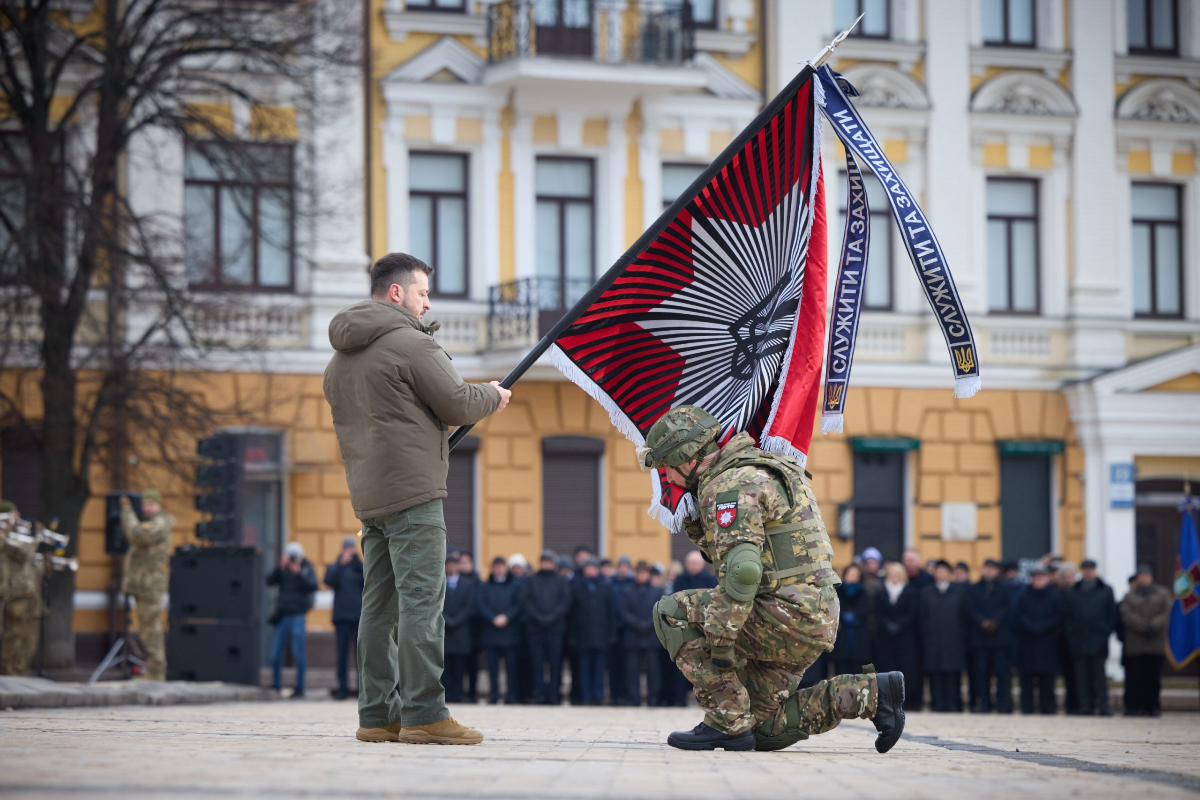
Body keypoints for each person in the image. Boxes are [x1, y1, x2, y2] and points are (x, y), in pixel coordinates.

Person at [323, 252, 510, 745]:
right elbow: (457, 403)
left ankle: (376, 716)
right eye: (423, 293)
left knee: (377, 608)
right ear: (396, 293)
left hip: (370, 496)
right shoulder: (410, 344)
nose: (427, 304)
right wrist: (493, 394)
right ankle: (426, 713)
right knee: (422, 604)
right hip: (415, 494)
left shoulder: (339, 358)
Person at [642, 406, 904, 753]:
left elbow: (744, 570)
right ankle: (870, 693)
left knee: (670, 611)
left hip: (785, 615)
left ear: (686, 459)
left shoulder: (728, 485)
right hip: (813, 614)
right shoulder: (763, 469)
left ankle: (725, 722)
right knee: (762, 729)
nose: (665, 476)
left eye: (665, 467)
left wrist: (721, 640)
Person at [118, 491, 173, 681]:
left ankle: (156, 671)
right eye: (145, 504)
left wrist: (127, 512)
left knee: (151, 628)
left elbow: (137, 535)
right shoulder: (152, 522)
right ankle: (154, 669)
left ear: (159, 505)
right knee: (147, 627)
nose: (147, 508)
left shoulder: (161, 523)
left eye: (151, 504)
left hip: (150, 586)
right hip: (143, 585)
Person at [1063, 558, 1115, 715]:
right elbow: (1067, 616)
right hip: (1079, 640)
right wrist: (1072, 633)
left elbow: (1111, 615)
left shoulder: (1106, 590)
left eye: (1091, 569)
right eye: (1085, 569)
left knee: (1099, 676)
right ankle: (1084, 706)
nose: (1088, 572)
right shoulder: (1072, 591)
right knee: (1081, 677)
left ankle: (1103, 706)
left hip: (1099, 640)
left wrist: (1105, 631)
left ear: (1095, 570)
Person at [0, 504, 48, 677]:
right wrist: (32, 537)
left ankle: (19, 672)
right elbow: (23, 554)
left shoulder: (12, 538)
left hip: (27, 594)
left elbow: (28, 558)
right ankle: (10, 672)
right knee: (13, 637)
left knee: (26, 641)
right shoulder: (6, 539)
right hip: (13, 595)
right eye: (13, 518)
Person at [266, 542, 318, 698]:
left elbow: (313, 585)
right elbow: (269, 581)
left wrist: (299, 573)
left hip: (298, 616)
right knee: (275, 654)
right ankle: (276, 686)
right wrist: (280, 567)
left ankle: (300, 687)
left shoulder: (307, 567)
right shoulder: (283, 569)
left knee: (298, 652)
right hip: (282, 616)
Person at [1119, 565, 1172, 716]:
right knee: (1136, 678)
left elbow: (1167, 611)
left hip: (1155, 643)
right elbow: (1126, 613)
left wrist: (1154, 626)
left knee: (1153, 679)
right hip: (1136, 644)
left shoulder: (1163, 593)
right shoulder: (1129, 596)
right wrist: (1143, 626)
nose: (1143, 579)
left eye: (1146, 576)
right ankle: (1136, 707)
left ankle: (1153, 706)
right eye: (1140, 576)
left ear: (1151, 577)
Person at [520, 551, 571, 705]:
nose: (546, 564)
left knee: (555, 664)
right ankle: (540, 694)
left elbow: (565, 601)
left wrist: (552, 617)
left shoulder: (561, 581)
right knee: (537, 663)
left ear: (553, 564)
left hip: (556, 629)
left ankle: (554, 694)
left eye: (549, 562)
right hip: (535, 629)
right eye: (544, 561)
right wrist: (539, 617)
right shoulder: (531, 580)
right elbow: (526, 601)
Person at [965, 559, 1012, 713]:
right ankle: (984, 703)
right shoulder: (974, 588)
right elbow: (970, 609)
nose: (989, 571)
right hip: (980, 638)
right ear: (982, 569)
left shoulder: (1004, 588)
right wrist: (982, 622)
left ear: (997, 571)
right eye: (987, 568)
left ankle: (1002, 704)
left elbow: (1006, 608)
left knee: (1001, 673)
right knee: (981, 672)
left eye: (993, 568)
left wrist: (995, 621)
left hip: (999, 638)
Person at [874, 562, 922, 711]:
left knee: (905, 668)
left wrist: (899, 625)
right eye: (892, 573)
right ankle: (887, 700)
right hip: (886, 638)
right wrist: (887, 624)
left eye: (897, 574)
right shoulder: (881, 593)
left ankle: (905, 700)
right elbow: (877, 613)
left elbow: (912, 613)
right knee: (886, 668)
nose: (894, 576)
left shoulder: (910, 592)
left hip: (905, 637)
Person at [1014, 565, 1062, 715]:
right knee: (1026, 680)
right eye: (1036, 577)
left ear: (1047, 578)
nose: (1038, 580)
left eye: (1041, 577)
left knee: (1047, 681)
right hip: (1028, 643)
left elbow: (1058, 617)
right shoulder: (1023, 596)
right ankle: (1027, 708)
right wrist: (1031, 626)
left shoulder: (1054, 596)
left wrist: (1042, 627)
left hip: (1047, 643)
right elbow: (1018, 616)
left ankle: (1048, 708)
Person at [920, 560, 966, 713]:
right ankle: (937, 704)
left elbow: (963, 616)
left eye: (944, 571)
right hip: (933, 640)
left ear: (948, 573)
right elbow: (922, 618)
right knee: (935, 674)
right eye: (938, 571)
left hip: (953, 641)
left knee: (953, 674)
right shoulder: (926, 592)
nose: (941, 574)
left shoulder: (958, 592)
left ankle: (953, 704)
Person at [477, 556, 522, 704]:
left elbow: (518, 605)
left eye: (501, 566)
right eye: (496, 566)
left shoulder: (515, 585)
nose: (499, 569)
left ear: (506, 568)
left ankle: (511, 696)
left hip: (510, 632)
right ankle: (494, 695)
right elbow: (481, 605)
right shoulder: (485, 586)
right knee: (492, 668)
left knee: (511, 668)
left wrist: (506, 617)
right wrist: (493, 618)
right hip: (491, 632)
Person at [324, 536, 365, 699]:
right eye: (346, 548)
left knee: (360, 657)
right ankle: (342, 688)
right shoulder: (335, 566)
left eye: (351, 548)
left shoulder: (359, 566)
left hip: (357, 617)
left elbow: (369, 580)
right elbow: (328, 581)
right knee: (341, 655)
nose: (349, 551)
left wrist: (357, 563)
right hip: (341, 618)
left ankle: (362, 689)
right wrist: (341, 565)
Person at [568, 557, 613, 705]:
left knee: (599, 669)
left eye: (593, 568)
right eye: (588, 568)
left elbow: (611, 612)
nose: (591, 571)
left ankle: (598, 696)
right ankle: (585, 696)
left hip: (600, 636)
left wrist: (610, 635)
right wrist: (573, 636)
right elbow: (572, 613)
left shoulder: (605, 587)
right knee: (584, 669)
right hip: (583, 636)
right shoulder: (576, 587)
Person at [619, 561, 664, 707]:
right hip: (632, 636)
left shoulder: (657, 591)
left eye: (644, 573)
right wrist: (637, 624)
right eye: (639, 573)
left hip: (651, 636)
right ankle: (633, 698)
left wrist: (649, 624)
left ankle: (653, 699)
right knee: (632, 671)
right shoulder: (627, 591)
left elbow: (661, 611)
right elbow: (624, 612)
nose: (642, 575)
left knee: (653, 671)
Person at [441, 550, 476, 703]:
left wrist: (456, 620)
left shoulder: (468, 584)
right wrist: (447, 620)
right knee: (445, 665)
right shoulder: (439, 583)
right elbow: (436, 605)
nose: (451, 568)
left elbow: (469, 606)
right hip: (444, 630)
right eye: (448, 565)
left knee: (460, 666)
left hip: (461, 631)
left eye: (454, 565)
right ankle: (447, 695)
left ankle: (459, 694)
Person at [832, 563, 873, 677]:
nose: (852, 577)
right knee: (840, 675)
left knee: (857, 675)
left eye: (855, 575)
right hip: (841, 637)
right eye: (850, 574)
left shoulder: (863, 592)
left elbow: (866, 611)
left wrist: (855, 617)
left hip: (858, 639)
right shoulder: (837, 592)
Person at [1055, 561, 1079, 713]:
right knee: (1067, 674)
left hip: (1079, 639)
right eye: (1065, 576)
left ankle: (1081, 704)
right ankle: (1070, 705)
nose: (1068, 579)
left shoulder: (1081, 592)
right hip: (1061, 639)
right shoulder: (1057, 593)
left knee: (1079, 674)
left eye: (1071, 576)